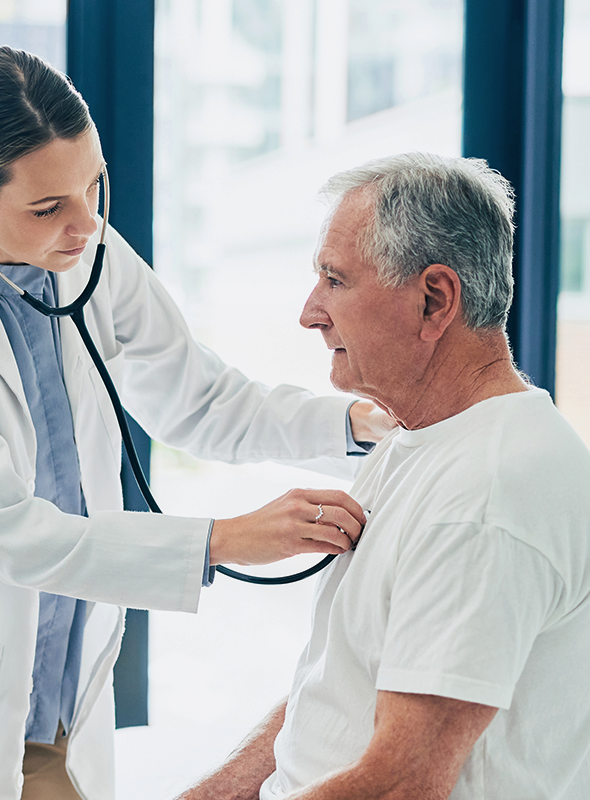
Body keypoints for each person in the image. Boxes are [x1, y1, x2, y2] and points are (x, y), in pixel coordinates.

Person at [0, 46, 390, 800]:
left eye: (93, 187)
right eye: (48, 207)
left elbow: (202, 398)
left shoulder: (89, 258)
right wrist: (226, 538)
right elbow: (11, 533)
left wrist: (355, 423)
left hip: (56, 695)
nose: (85, 224)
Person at [176, 153, 590, 800]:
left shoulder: (488, 495)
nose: (311, 313)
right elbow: (341, 687)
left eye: (335, 281)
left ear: (434, 300)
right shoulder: (414, 441)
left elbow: (401, 785)